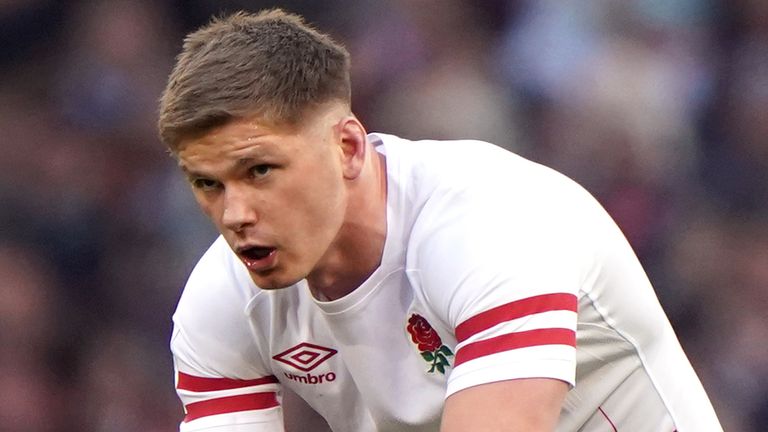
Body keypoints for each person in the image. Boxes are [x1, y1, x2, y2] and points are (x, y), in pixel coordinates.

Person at [157, 9, 723, 432]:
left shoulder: (493, 223)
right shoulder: (221, 303)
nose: (234, 214)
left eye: (260, 170)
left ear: (348, 147)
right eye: (207, 184)